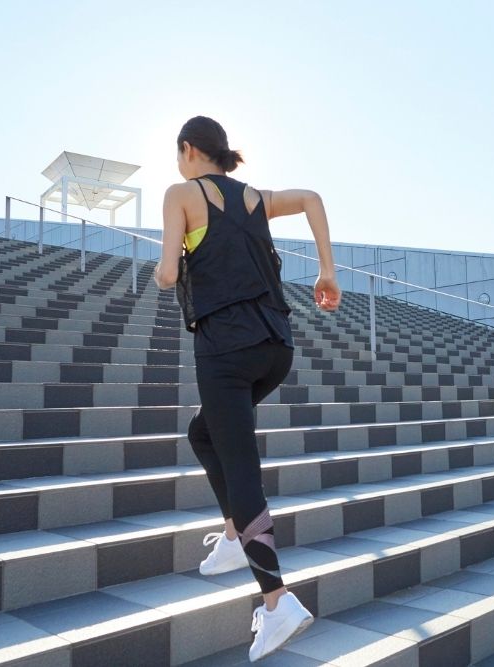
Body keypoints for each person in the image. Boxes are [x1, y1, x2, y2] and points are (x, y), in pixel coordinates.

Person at [152, 115, 341, 662]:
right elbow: (311, 198)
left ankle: (277, 602)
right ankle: (234, 536)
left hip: (225, 349)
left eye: (178, 154)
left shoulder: (181, 194)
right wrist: (328, 273)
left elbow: (167, 274)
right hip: (273, 346)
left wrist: (175, 264)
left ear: (189, 150)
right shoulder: (254, 198)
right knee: (203, 433)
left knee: (239, 463)